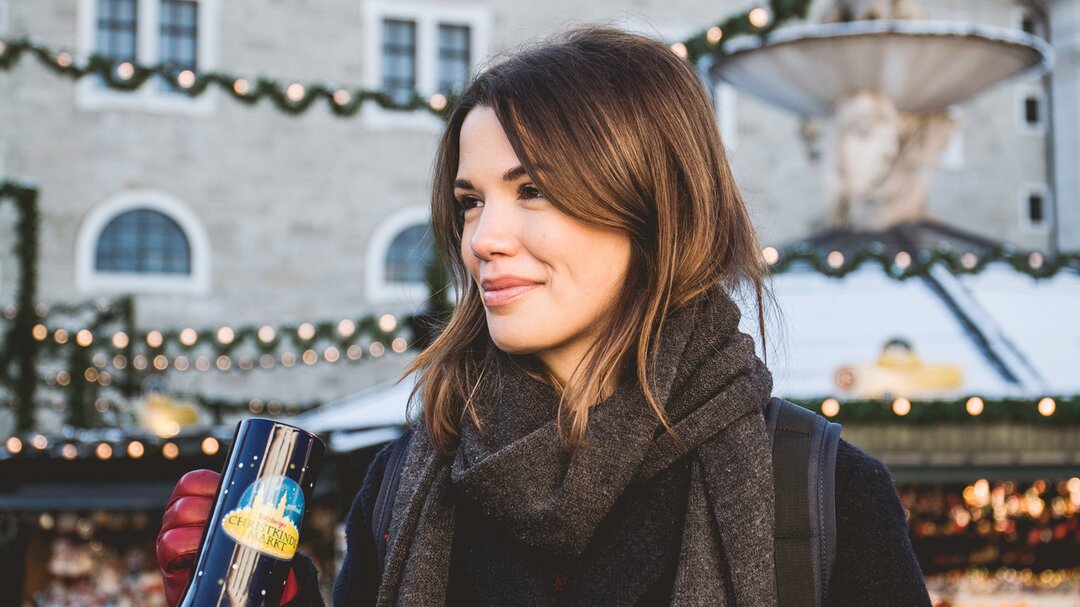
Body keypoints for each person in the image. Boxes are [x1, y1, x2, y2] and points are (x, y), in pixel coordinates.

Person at [157, 25, 933, 606]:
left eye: (534, 190)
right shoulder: (405, 484)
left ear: (649, 208)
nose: (484, 240)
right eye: (470, 202)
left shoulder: (818, 493)